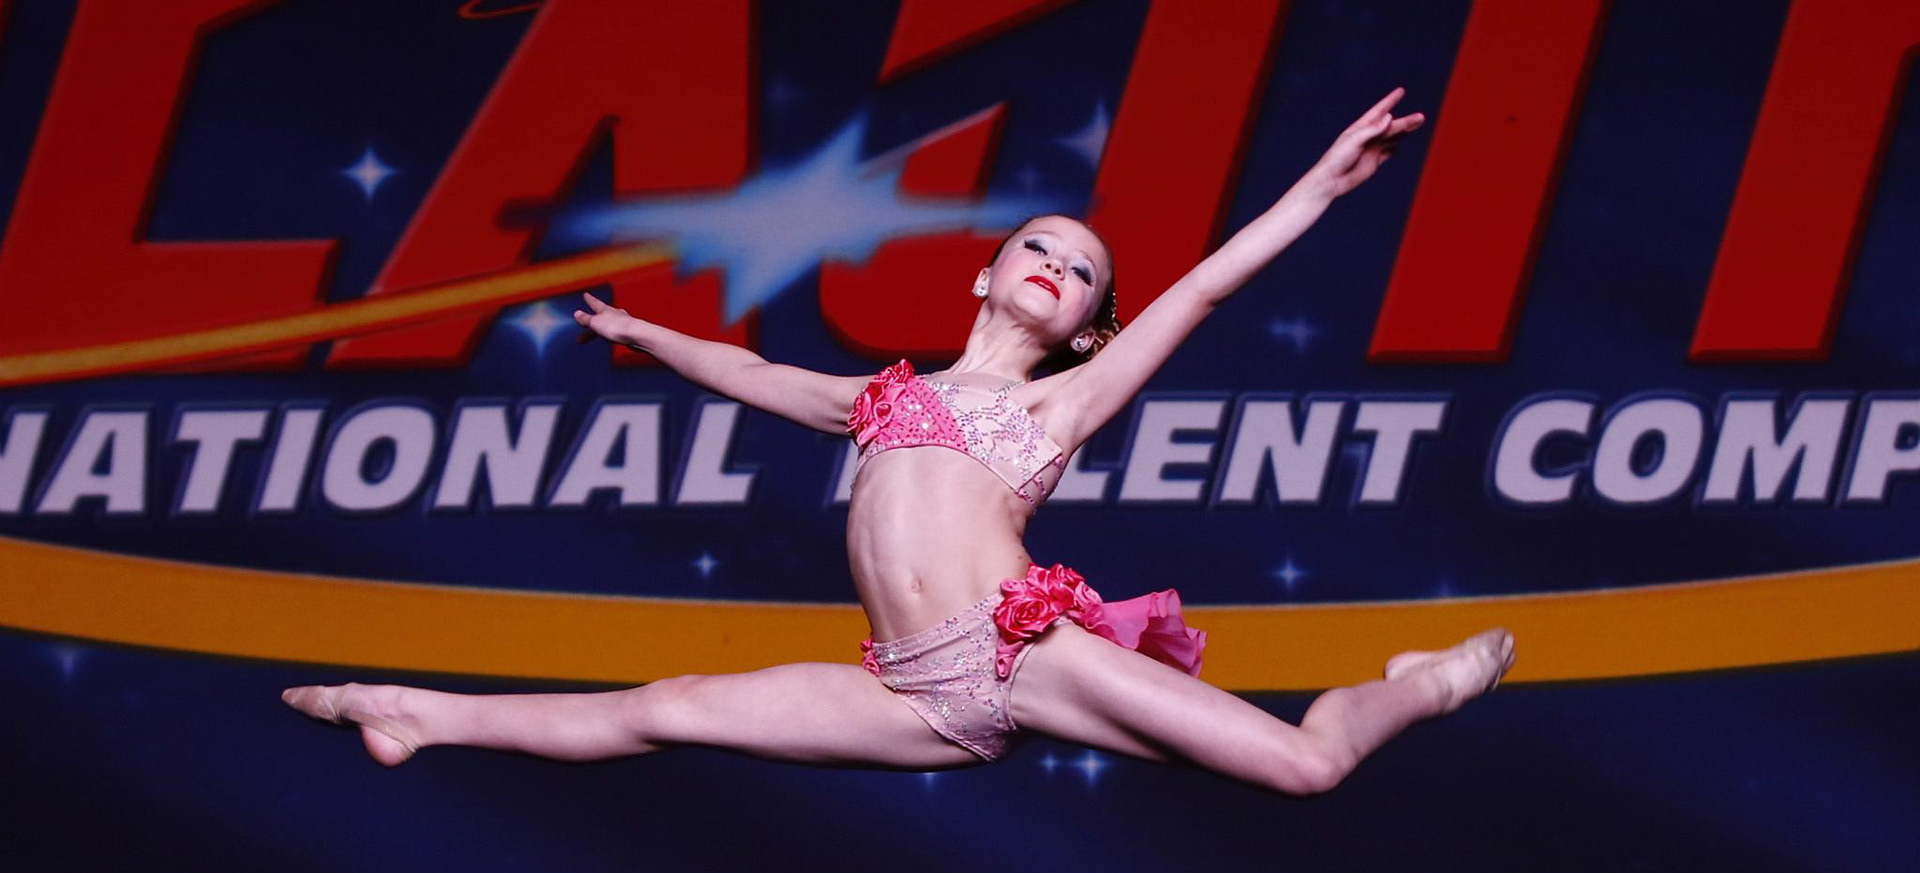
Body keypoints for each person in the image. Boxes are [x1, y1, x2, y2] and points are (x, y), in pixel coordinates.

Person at [284, 87, 1514, 794]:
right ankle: (417, 711)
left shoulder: (1060, 406)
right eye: (1038, 245)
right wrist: (650, 335)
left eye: (1084, 271)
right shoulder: (881, 397)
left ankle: (1425, 681)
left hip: (1022, 652)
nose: (1057, 263)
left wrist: (1322, 184)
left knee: (1304, 767)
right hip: (910, 691)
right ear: (986, 270)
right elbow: (753, 374)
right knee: (669, 705)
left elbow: (1201, 288)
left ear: (1089, 327)